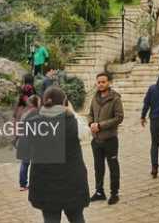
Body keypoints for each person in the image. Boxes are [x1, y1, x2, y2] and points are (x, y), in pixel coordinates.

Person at [27, 88, 89, 223]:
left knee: (50, 218)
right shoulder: (74, 121)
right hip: (72, 182)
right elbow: (86, 133)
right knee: (77, 217)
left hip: (45, 183)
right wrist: (71, 111)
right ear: (64, 103)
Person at [87, 73, 124, 205]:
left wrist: (100, 126)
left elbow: (119, 117)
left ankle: (115, 193)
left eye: (103, 82)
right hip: (96, 140)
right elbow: (90, 114)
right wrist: (91, 123)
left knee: (113, 166)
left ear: (109, 82)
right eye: (99, 82)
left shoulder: (115, 98)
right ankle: (99, 192)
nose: (101, 84)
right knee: (98, 167)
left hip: (110, 140)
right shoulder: (94, 98)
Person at [16, 95, 40, 191]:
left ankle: (22, 184)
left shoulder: (24, 114)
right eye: (39, 101)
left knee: (24, 163)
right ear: (36, 103)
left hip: (23, 139)